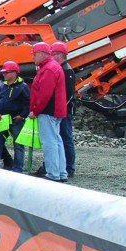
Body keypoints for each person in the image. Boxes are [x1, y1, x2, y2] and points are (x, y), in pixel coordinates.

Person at [29, 42, 68, 182]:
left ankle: (53, 173)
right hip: (55, 110)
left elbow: (44, 94)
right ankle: (61, 172)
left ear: (41, 54)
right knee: (57, 140)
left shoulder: (48, 69)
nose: (33, 57)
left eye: (34, 54)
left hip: (48, 110)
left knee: (49, 141)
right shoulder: (53, 67)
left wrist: (35, 110)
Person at [0, 61, 29, 172]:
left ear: (15, 73)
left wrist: (22, 116)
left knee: (18, 146)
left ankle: (17, 169)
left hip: (16, 121)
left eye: (7, 72)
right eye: (4, 73)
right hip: (2, 120)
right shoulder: (2, 86)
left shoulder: (23, 87)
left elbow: (28, 104)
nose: (4, 74)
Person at [51, 42, 77, 178]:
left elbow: (67, 93)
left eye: (53, 54)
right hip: (63, 109)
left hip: (65, 110)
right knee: (62, 138)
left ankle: (69, 167)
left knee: (65, 138)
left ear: (59, 55)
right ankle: (66, 166)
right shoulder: (65, 69)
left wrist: (58, 108)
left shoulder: (66, 71)